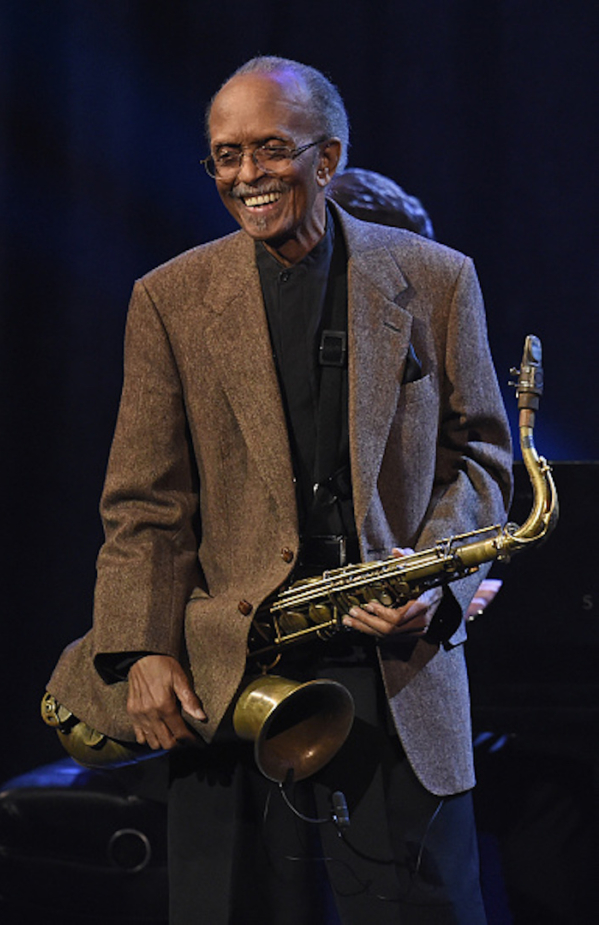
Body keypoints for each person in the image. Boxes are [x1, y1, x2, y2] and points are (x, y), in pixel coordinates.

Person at [47, 56, 512, 924]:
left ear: (328, 159)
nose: (246, 176)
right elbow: (144, 503)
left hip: (395, 666)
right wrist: (139, 648)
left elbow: (483, 456)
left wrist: (431, 576)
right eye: (225, 156)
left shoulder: (439, 278)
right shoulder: (169, 298)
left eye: (269, 150)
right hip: (233, 676)